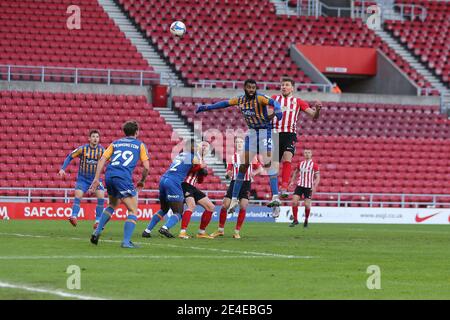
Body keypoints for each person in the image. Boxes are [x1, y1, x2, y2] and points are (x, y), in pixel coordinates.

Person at [196, 79, 283, 215]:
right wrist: (207, 107)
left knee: (268, 163)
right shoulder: (240, 100)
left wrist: (277, 109)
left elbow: (274, 102)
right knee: (243, 166)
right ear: (245, 88)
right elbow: (224, 104)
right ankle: (234, 199)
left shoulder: (260, 98)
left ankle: (275, 199)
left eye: (253, 88)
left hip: (265, 132)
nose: (251, 90)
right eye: (249, 87)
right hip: (252, 133)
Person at [88, 120, 150, 248]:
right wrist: (142, 181)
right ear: (137, 132)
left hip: (109, 176)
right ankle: (126, 242)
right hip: (122, 177)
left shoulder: (115, 143)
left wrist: (96, 178)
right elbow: (146, 167)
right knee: (133, 210)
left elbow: (102, 159)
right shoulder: (140, 145)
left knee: (113, 204)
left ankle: (97, 231)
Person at [142, 138, 206, 239]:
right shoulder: (192, 156)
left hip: (163, 179)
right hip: (173, 182)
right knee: (178, 212)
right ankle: (165, 227)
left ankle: (147, 230)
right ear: (193, 147)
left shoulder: (180, 155)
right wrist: (203, 165)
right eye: (197, 146)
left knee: (164, 209)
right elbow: (200, 167)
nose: (198, 148)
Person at [272, 77, 321, 199]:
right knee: (274, 167)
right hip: (275, 134)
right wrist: (275, 112)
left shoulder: (298, 101)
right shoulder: (274, 99)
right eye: (282, 85)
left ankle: (284, 187)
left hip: (289, 134)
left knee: (287, 157)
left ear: (292, 88)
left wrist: (318, 110)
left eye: (286, 85)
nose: (283, 87)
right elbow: (266, 115)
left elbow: (313, 116)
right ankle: (274, 195)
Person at [211, 136, 263, 239]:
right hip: (234, 182)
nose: (239, 144)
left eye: (240, 142)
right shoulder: (232, 157)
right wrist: (228, 174)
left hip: (246, 184)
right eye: (237, 142)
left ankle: (236, 232)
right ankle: (220, 230)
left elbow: (260, 168)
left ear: (244, 144)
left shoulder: (251, 156)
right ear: (235, 144)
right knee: (225, 205)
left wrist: (253, 173)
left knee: (243, 206)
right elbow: (229, 172)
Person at [58, 129, 105, 229]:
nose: (95, 139)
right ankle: (74, 216)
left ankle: (98, 221)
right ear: (89, 138)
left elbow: (110, 160)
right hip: (83, 179)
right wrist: (62, 169)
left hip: (95, 179)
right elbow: (70, 156)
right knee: (78, 196)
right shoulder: (82, 149)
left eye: (97, 137)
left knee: (101, 197)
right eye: (93, 136)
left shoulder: (102, 150)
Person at [178, 141, 216, 240]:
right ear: (198, 146)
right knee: (191, 206)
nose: (204, 147)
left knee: (210, 207)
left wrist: (202, 174)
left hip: (193, 186)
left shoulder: (201, 159)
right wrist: (200, 167)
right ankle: (182, 232)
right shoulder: (192, 156)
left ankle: (201, 232)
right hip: (185, 184)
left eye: (206, 146)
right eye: (202, 145)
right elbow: (186, 169)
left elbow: (199, 181)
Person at [288, 148, 320, 228]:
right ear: (303, 154)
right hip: (300, 185)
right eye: (305, 153)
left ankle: (306, 220)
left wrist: (314, 186)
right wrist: (292, 181)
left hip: (308, 187)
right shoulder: (300, 164)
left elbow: (317, 177)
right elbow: (296, 172)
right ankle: (295, 220)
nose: (307, 154)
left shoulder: (314, 165)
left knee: (306, 205)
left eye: (308, 152)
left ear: (311, 154)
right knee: (294, 202)